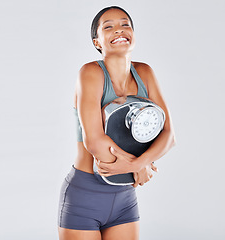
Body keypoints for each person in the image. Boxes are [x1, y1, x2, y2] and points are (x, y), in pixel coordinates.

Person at [58, 5, 176, 240]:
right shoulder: (90, 73)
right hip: (85, 195)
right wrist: (140, 166)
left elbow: (169, 134)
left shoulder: (145, 72)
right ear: (97, 42)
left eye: (125, 24)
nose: (119, 30)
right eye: (108, 27)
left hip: (125, 199)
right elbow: (94, 141)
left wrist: (139, 164)